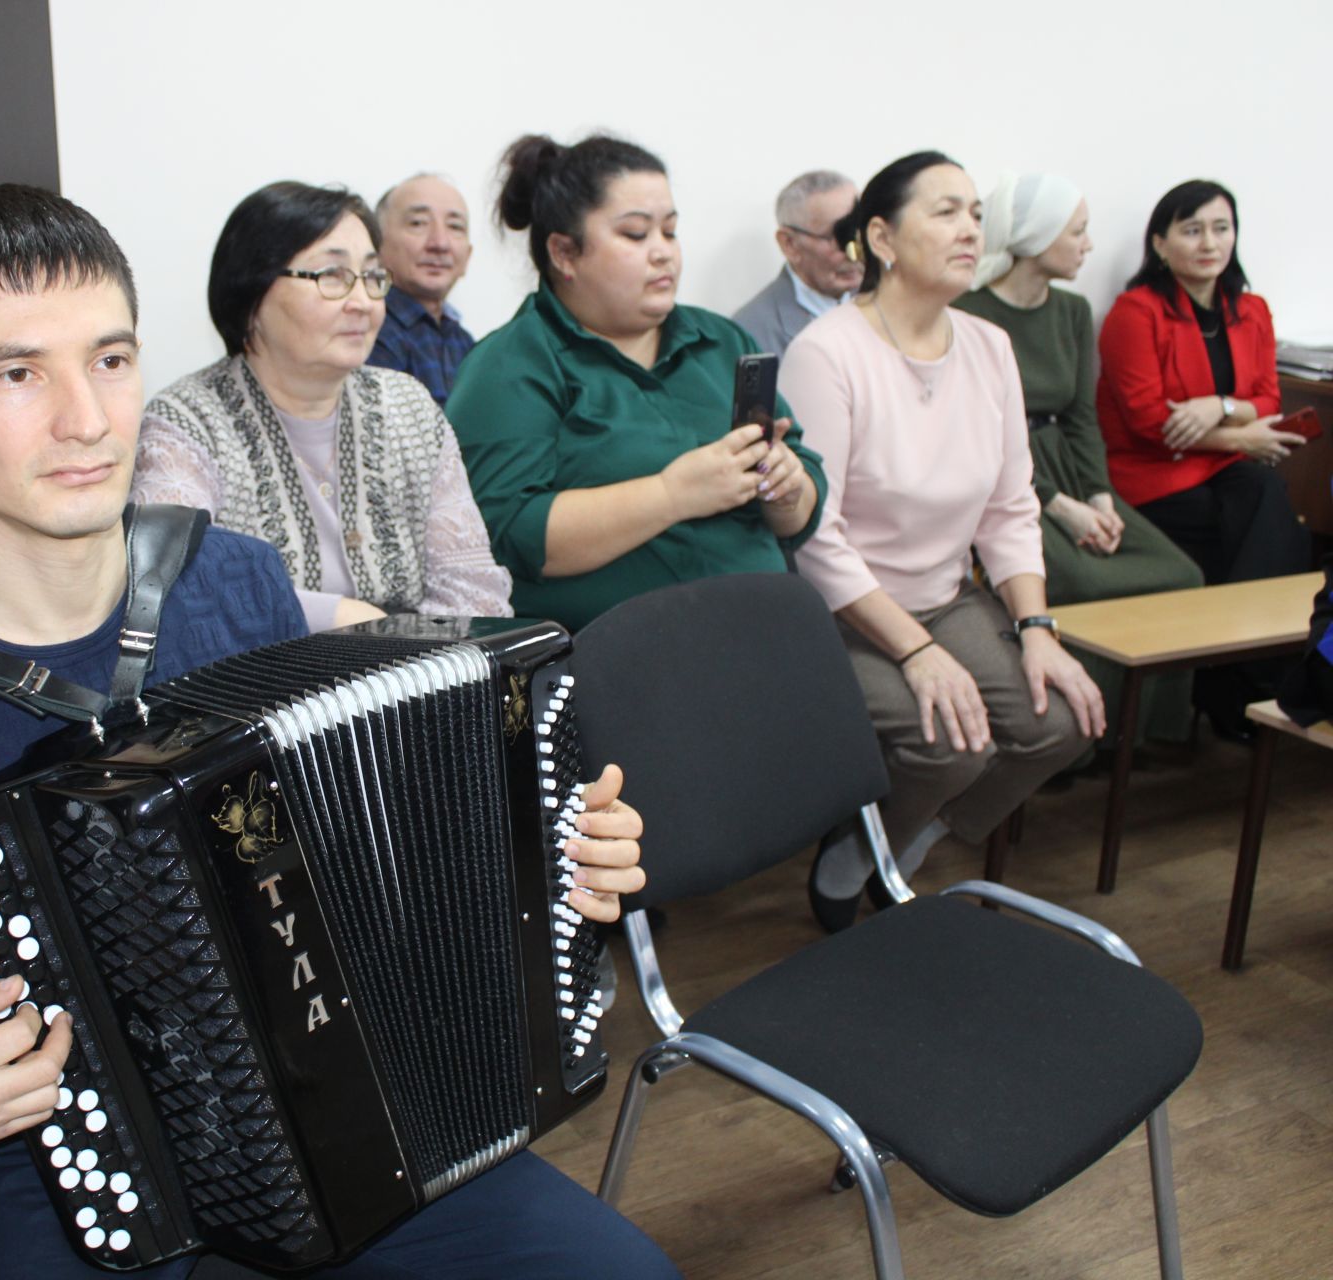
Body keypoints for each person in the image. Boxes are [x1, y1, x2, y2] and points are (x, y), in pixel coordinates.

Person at [0, 185, 671, 1280]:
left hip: (325, 1097)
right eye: (19, 373)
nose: (86, 417)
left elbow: (365, 847)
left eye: (110, 360)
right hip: (41, 1158)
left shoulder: (232, 583)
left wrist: (550, 848)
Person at [780, 152, 1104, 932]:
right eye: (946, 212)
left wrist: (1036, 629)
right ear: (883, 239)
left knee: (1062, 721)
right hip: (841, 612)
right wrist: (918, 652)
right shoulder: (828, 353)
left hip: (947, 596)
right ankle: (865, 847)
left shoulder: (990, 347)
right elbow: (813, 536)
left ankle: (911, 832)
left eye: (976, 214)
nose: (969, 230)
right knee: (952, 746)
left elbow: (1009, 507)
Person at [445, 133, 826, 633]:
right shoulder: (511, 365)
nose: (663, 253)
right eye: (635, 235)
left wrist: (788, 486)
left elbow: (804, 488)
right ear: (564, 252)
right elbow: (505, 533)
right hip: (621, 660)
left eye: (669, 232)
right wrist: (672, 494)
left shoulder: (720, 340)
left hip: (764, 628)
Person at [134, 181, 511, 634]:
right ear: (252, 296)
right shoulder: (186, 423)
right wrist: (345, 619)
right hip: (262, 694)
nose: (363, 302)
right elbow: (174, 584)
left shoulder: (409, 408)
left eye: (373, 277)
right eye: (332, 275)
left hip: (413, 687)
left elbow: (472, 586)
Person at [954, 174, 1203, 752]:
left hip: (1070, 470)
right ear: (1037, 238)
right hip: (1011, 481)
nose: (1089, 245)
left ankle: (1140, 735)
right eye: (1078, 232)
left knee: (1180, 575)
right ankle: (1078, 744)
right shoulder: (968, 311)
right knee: (1087, 582)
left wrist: (1099, 498)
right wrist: (1058, 507)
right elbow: (976, 434)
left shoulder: (1071, 310)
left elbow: (1082, 416)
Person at [1096, 179, 1312, 739]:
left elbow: (1266, 398)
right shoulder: (1135, 313)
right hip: (1149, 474)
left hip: (1216, 470)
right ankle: (1255, 678)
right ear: (1161, 244)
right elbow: (1150, 423)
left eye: (1221, 228)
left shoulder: (1251, 309)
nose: (1209, 242)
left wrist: (1216, 404)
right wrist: (1241, 436)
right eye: (1192, 230)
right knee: (1266, 511)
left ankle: (1234, 679)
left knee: (1260, 500)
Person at [366, 172, 477, 404]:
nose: (439, 243)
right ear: (378, 246)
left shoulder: (466, 344)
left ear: (467, 256)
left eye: (455, 226)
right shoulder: (367, 329)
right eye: (418, 223)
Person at [731, 169, 862, 357]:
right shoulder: (750, 336)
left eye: (859, 231)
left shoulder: (888, 302)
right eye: (839, 237)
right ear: (789, 244)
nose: (854, 252)